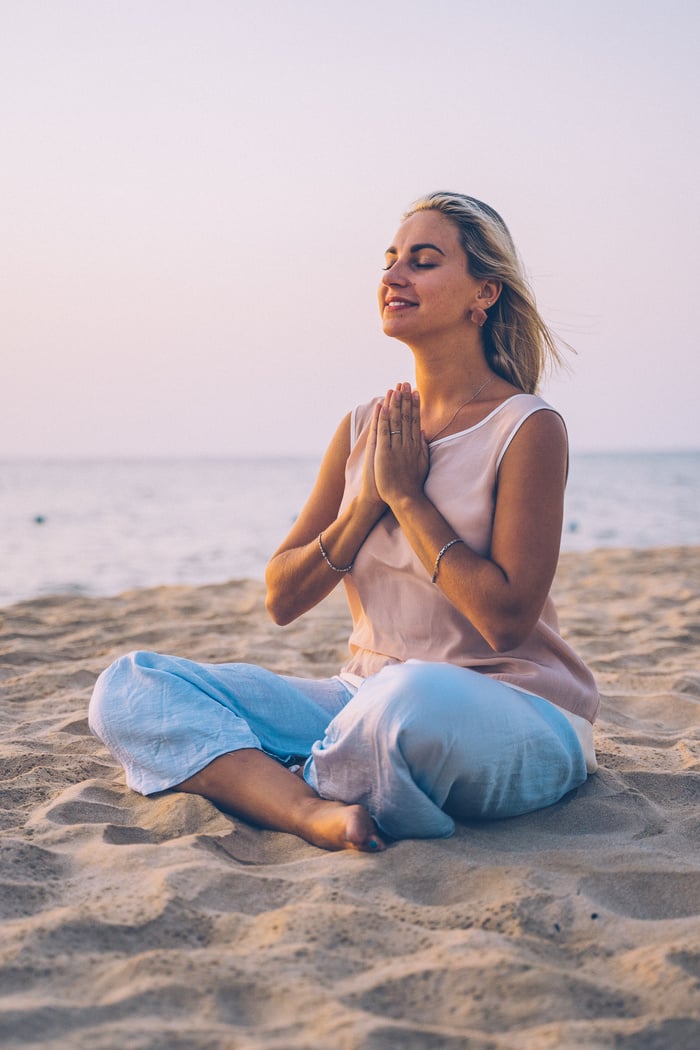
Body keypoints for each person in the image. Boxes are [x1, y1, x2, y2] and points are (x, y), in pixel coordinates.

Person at [89, 192, 599, 854]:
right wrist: (364, 507)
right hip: (361, 695)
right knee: (130, 687)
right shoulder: (365, 427)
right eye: (390, 260)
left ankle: (294, 772)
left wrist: (409, 499)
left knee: (406, 704)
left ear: (484, 294)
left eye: (423, 260)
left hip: (507, 706)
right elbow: (282, 598)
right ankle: (309, 810)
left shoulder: (525, 427)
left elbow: (505, 622)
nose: (393, 277)